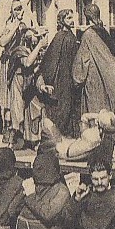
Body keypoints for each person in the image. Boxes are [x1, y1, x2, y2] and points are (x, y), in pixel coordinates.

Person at [73, 3, 115, 126]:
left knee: (96, 109)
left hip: (94, 78)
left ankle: (97, 136)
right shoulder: (104, 31)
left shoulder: (88, 35)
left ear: (87, 17)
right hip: (110, 76)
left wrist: (77, 78)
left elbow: (83, 60)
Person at [0, 0, 37, 141]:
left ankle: (19, 128)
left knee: (18, 98)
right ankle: (9, 130)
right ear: (12, 12)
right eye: (17, 9)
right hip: (8, 64)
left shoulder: (22, 25)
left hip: (19, 62)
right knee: (7, 100)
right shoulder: (9, 25)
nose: (21, 11)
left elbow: (24, 4)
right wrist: (15, 26)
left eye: (22, 9)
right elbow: (2, 42)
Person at [6, 28, 50, 149]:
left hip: (29, 86)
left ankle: (34, 140)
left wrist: (42, 86)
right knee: (18, 114)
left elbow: (36, 72)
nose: (36, 40)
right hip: (18, 86)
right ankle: (12, 143)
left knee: (37, 109)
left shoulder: (33, 50)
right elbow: (27, 63)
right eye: (34, 37)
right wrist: (40, 45)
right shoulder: (19, 51)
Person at [41, 9, 81, 137]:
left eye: (72, 17)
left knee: (69, 106)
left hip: (70, 76)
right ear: (62, 20)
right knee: (63, 107)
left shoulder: (71, 36)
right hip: (62, 78)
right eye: (68, 18)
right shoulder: (60, 37)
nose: (72, 20)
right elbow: (50, 59)